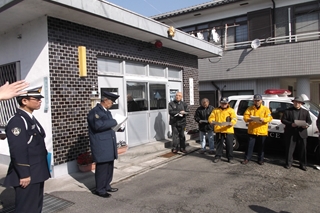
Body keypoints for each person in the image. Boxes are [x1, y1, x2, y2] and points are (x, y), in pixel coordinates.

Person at [3, 86, 50, 213]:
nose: (40, 101)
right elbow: (18, 150)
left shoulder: (29, 118)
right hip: (28, 172)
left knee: (35, 206)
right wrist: (24, 174)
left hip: (37, 170)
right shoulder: (18, 121)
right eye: (37, 99)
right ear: (24, 101)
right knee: (27, 208)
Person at [87, 91, 120, 198]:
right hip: (101, 144)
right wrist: (115, 121)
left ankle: (107, 185)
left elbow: (109, 125)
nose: (112, 104)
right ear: (105, 100)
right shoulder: (95, 112)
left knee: (109, 166)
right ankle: (100, 189)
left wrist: (119, 126)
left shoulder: (107, 112)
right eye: (111, 102)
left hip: (108, 143)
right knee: (102, 167)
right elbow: (98, 126)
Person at [281, 96, 311, 171]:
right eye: (296, 102)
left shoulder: (305, 112)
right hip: (291, 132)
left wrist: (307, 125)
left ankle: (303, 164)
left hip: (302, 132)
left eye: (299, 102)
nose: (297, 104)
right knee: (290, 149)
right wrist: (291, 124)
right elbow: (283, 120)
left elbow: (309, 121)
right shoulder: (288, 111)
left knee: (303, 149)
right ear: (293, 102)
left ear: (301, 104)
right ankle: (288, 163)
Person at [242, 94, 273, 165]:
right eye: (255, 100)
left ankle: (260, 159)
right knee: (249, 146)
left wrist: (264, 119)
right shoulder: (250, 108)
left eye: (258, 100)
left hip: (262, 131)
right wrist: (249, 119)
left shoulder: (265, 109)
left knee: (261, 146)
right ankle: (247, 158)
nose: (257, 102)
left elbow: (270, 118)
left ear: (261, 101)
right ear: (253, 101)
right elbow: (245, 117)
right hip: (252, 130)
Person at [208, 97, 237, 164]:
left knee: (229, 145)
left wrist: (232, 123)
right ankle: (218, 156)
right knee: (219, 144)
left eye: (225, 103)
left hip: (228, 129)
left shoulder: (231, 110)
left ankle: (230, 158)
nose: (224, 104)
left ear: (227, 103)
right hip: (219, 129)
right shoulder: (215, 110)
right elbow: (211, 117)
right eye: (222, 103)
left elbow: (234, 118)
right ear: (220, 103)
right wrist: (211, 121)